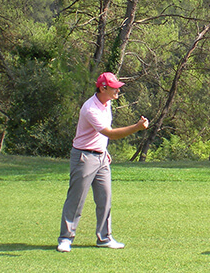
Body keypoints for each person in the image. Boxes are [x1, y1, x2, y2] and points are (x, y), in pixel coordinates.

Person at [57, 72, 149, 253]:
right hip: (84, 157)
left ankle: (104, 238)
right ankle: (66, 239)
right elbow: (111, 133)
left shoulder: (107, 104)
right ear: (102, 88)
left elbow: (101, 137)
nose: (117, 90)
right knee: (76, 200)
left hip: (101, 158)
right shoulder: (90, 108)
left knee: (105, 199)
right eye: (114, 87)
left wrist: (104, 151)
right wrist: (137, 127)